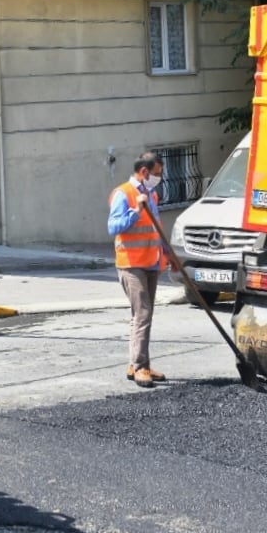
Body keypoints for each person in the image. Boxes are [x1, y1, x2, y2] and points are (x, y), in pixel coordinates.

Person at [108, 151, 171, 388]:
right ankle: (140, 366)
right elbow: (113, 227)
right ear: (144, 172)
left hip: (151, 261)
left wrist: (168, 254)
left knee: (142, 315)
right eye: (156, 174)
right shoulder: (123, 193)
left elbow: (155, 229)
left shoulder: (151, 194)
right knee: (142, 313)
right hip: (131, 264)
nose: (158, 178)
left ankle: (137, 362)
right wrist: (136, 212)